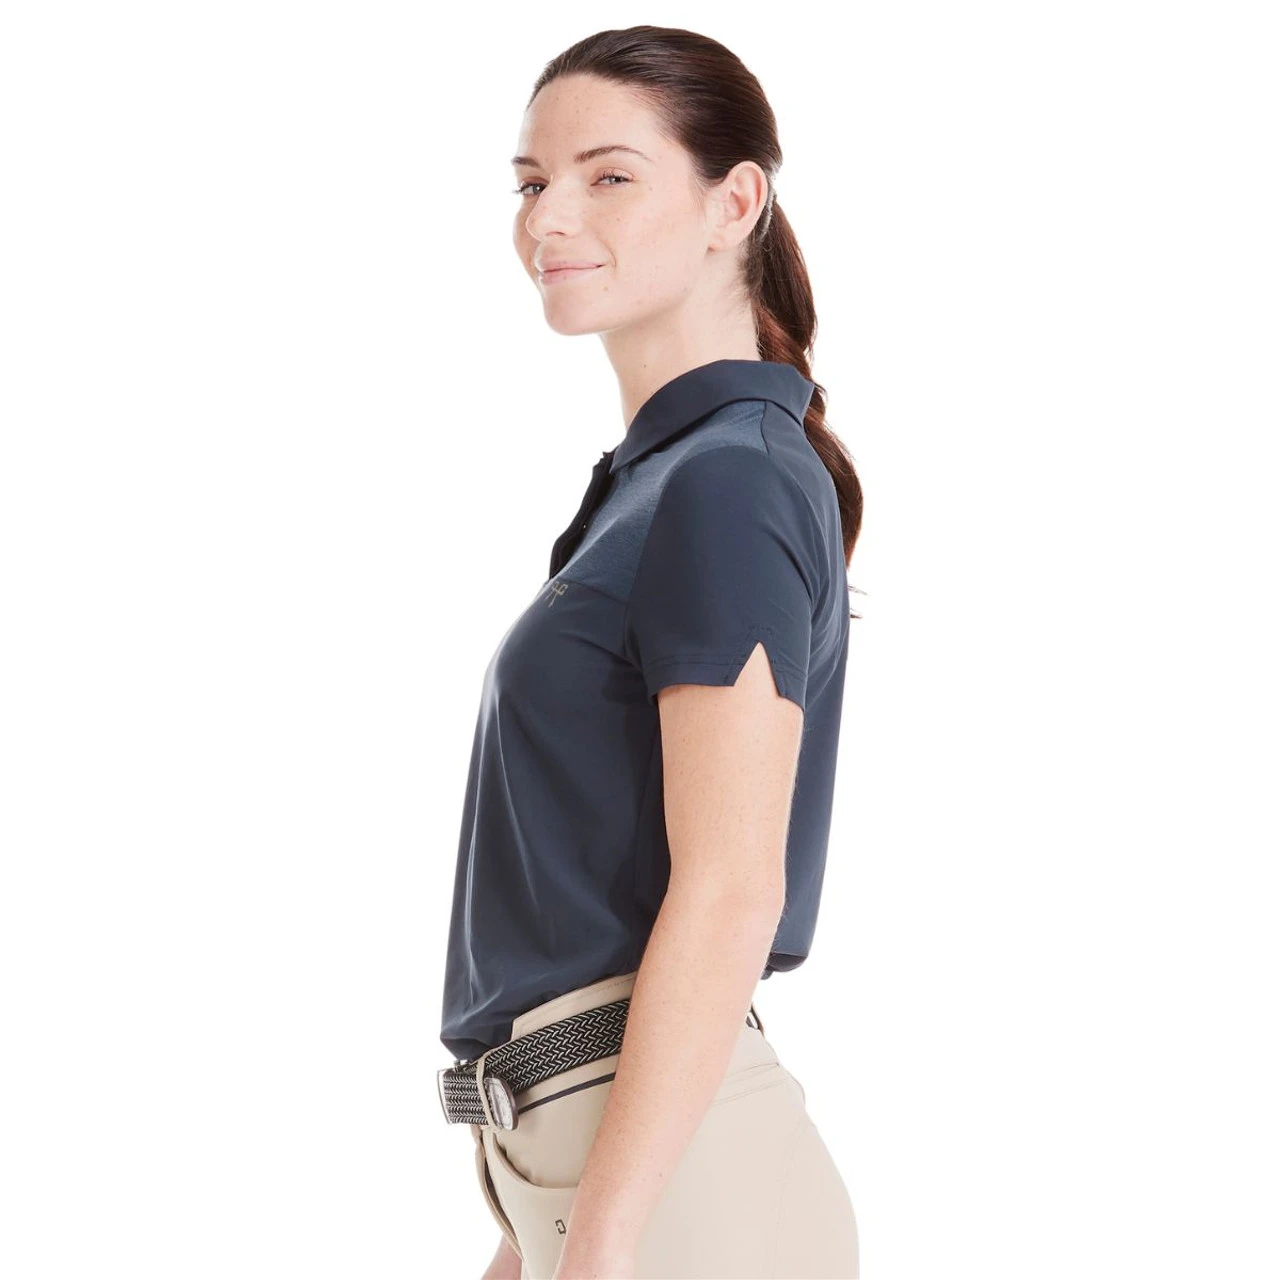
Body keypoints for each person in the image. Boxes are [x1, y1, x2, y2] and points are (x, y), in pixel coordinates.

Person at [438, 24, 864, 1280]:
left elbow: (730, 886)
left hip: (665, 1191)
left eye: (608, 175)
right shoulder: (662, 482)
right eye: (530, 181)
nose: (547, 217)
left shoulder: (727, 481)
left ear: (734, 202)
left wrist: (603, 1233)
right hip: (595, 1164)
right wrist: (535, 1232)